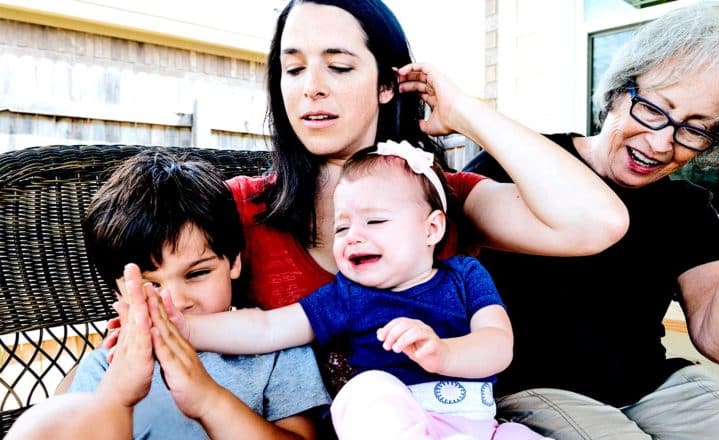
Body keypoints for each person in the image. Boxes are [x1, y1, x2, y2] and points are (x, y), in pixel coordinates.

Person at [226, 0, 628, 394]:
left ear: (387, 85)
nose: (311, 88)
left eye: (339, 67)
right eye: (293, 69)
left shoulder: (448, 197)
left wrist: (466, 113)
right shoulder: (236, 205)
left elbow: (599, 223)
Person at [464, 1, 719, 438]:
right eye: (653, 109)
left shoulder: (685, 207)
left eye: (694, 128)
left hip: (652, 387)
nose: (663, 142)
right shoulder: (522, 165)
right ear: (617, 91)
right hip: (531, 386)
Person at [154, 140, 548, 439]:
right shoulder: (346, 295)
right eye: (342, 227)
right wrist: (185, 329)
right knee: (364, 391)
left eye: (375, 221)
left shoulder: (465, 276)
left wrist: (444, 353)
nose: (353, 237)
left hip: (480, 426)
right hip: (396, 423)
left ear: (432, 229)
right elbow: (268, 328)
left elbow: (498, 345)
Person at [6, 150, 329, 440]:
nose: (176, 301)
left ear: (234, 262)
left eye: (197, 273)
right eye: (150, 284)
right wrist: (117, 397)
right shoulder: (110, 368)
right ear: (121, 289)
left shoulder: (274, 352)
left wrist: (208, 400)